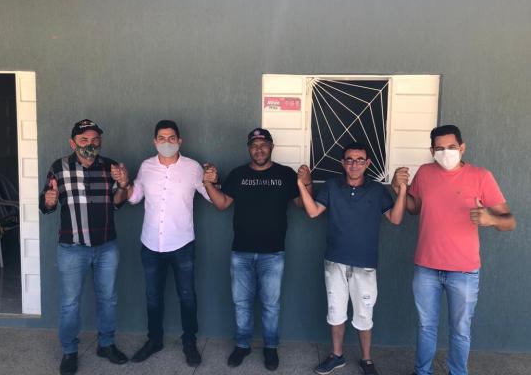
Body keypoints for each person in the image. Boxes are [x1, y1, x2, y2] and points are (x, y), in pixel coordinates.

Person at [391, 125, 516, 375]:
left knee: (460, 330)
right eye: (439, 148)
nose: (445, 152)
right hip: (426, 266)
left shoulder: (481, 176)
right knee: (426, 327)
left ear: (462, 147)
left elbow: (509, 221)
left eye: (451, 147)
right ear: (431, 151)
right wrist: (399, 189)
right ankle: (422, 372)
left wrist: (490, 219)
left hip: (464, 270)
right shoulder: (425, 173)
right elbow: (415, 208)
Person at [202, 127, 312, 371]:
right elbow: (222, 204)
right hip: (241, 252)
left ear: (271, 147)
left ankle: (270, 347)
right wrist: (208, 184)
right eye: (254, 145)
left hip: (273, 253)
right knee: (241, 303)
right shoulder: (238, 174)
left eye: (263, 145)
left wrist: (307, 183)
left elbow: (301, 205)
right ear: (249, 149)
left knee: (271, 305)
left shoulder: (285, 174)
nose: (259, 149)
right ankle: (242, 345)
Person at [297, 142, 407, 375]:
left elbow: (396, 219)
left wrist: (403, 190)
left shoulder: (377, 190)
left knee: (364, 314)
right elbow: (313, 212)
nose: (354, 164)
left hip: (365, 265)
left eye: (359, 160)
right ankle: (336, 356)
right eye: (349, 159)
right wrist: (301, 185)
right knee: (335, 311)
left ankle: (367, 359)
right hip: (335, 261)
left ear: (368, 163)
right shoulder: (331, 186)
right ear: (342, 162)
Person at [39, 119, 130, 375]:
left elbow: (118, 203)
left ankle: (106, 345)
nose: (90, 144)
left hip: (106, 246)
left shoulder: (111, 166)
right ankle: (69, 351)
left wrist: (124, 185)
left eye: (95, 140)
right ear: (73, 143)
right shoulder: (59, 167)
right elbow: (46, 205)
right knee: (70, 303)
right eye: (84, 140)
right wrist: (49, 200)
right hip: (72, 248)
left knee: (108, 299)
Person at [125, 120, 209, 367]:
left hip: (182, 244)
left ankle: (189, 342)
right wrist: (124, 182)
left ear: (179, 141)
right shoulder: (146, 166)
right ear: (155, 141)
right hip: (151, 244)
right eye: (161, 138)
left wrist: (212, 180)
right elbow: (134, 198)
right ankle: (154, 340)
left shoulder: (193, 168)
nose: (167, 142)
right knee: (153, 297)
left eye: (172, 138)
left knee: (187, 296)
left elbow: (211, 196)